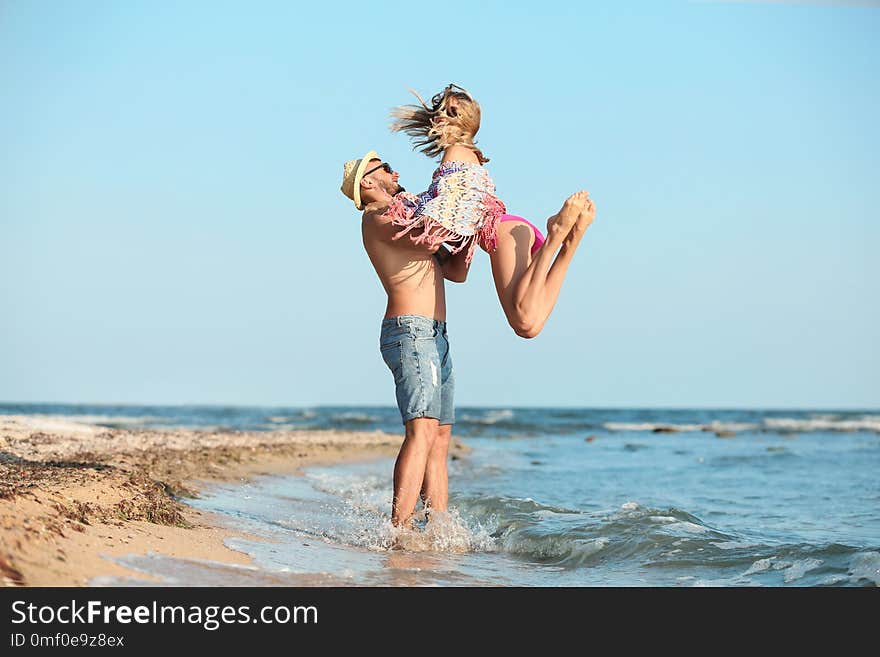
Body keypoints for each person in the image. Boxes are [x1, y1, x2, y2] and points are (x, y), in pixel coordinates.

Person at [386, 84, 596, 339]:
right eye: (441, 111)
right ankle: (569, 242)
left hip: (501, 233)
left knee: (522, 317)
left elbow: (451, 210)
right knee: (529, 325)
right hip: (513, 231)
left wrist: (408, 215)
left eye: (452, 112)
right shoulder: (468, 154)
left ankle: (556, 235)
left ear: (466, 122)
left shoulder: (454, 153)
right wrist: (435, 256)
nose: (441, 116)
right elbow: (457, 272)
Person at [340, 150, 468, 530]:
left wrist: (473, 229)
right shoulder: (377, 217)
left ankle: (438, 530)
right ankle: (401, 530)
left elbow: (456, 271)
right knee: (422, 430)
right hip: (410, 331)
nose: (396, 173)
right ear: (368, 182)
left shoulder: (408, 216)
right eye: (386, 169)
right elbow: (430, 239)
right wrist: (457, 202)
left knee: (440, 438)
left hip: (435, 333)